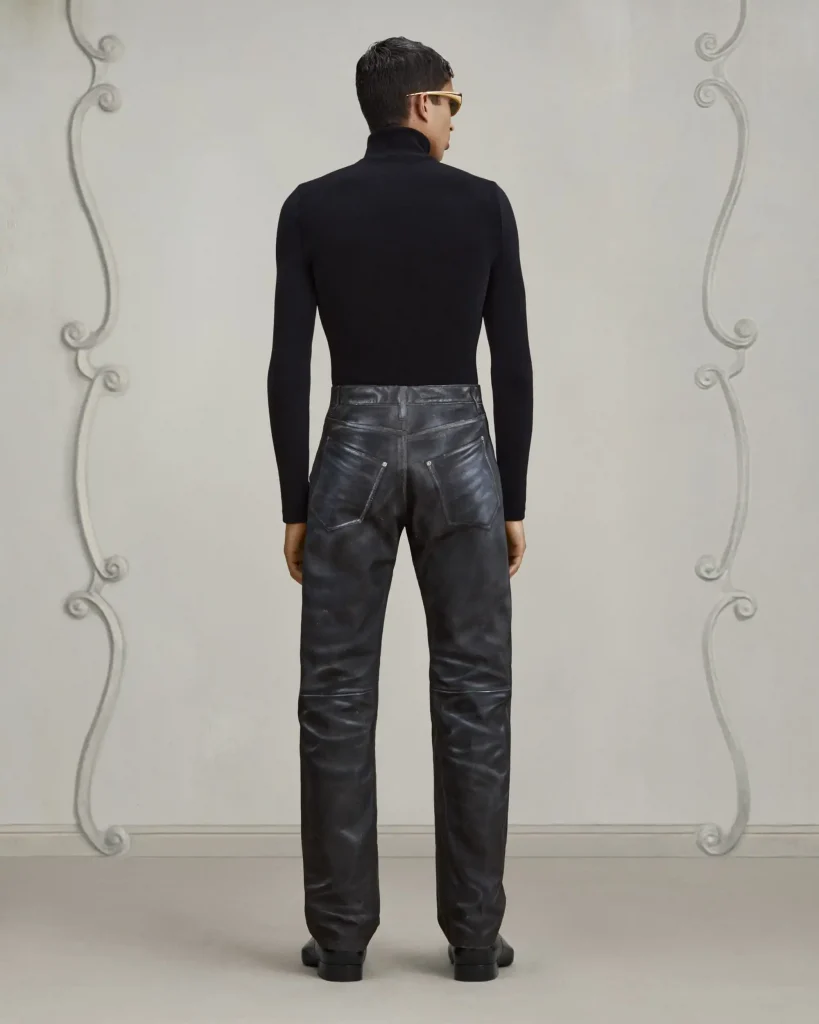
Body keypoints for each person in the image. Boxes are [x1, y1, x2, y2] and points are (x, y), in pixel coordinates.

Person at [267, 35, 533, 983]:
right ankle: (474, 941)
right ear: (421, 104)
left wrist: (296, 500)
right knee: (474, 692)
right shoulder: (483, 204)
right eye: (453, 103)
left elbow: (287, 363)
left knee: (336, 693)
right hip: (463, 451)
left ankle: (341, 940)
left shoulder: (311, 205)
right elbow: (512, 359)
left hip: (351, 448)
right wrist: (512, 493)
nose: (457, 120)